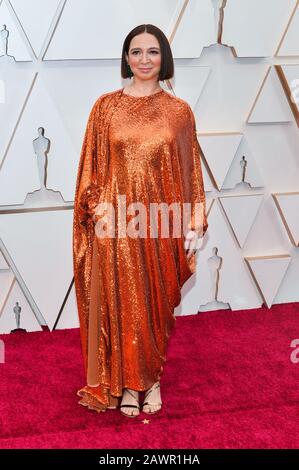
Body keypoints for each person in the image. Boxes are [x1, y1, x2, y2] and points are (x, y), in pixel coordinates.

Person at [73, 24, 208, 418]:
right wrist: (97, 210)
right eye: (136, 52)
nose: (144, 60)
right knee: (122, 305)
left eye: (152, 52)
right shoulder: (105, 107)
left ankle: (152, 378)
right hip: (116, 227)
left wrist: (195, 216)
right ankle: (129, 385)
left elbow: (191, 170)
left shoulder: (179, 111)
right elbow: (90, 169)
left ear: (163, 57)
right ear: (126, 58)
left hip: (162, 224)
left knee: (153, 305)